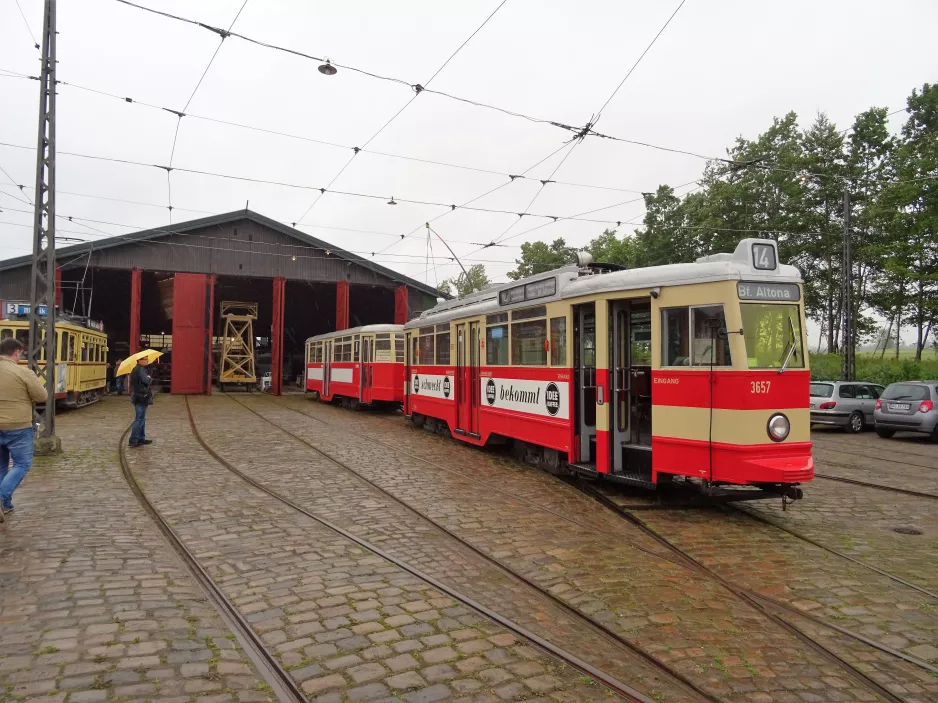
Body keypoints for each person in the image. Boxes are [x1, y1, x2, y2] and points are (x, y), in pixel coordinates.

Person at [0, 337, 48, 520]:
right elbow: (41, 395)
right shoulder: (23, 372)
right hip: (18, 426)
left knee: (1, 466)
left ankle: (6, 505)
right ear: (16, 352)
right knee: (22, 464)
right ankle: (2, 497)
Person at [128, 357, 154, 447]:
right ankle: (133, 439)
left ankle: (140, 438)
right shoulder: (141, 370)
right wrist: (149, 378)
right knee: (139, 419)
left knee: (141, 418)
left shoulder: (135, 369)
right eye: (145, 359)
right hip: (142, 396)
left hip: (137, 395)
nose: (147, 360)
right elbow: (146, 381)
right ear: (140, 360)